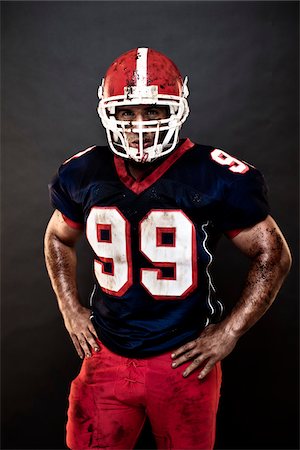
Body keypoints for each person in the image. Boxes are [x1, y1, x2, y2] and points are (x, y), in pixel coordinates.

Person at [44, 47, 291, 450]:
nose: (139, 126)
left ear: (177, 109)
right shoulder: (84, 171)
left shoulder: (212, 172)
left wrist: (229, 332)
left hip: (182, 359)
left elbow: (273, 254)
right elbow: (57, 236)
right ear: (108, 112)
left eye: (153, 111)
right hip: (106, 353)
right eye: (127, 112)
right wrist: (69, 307)